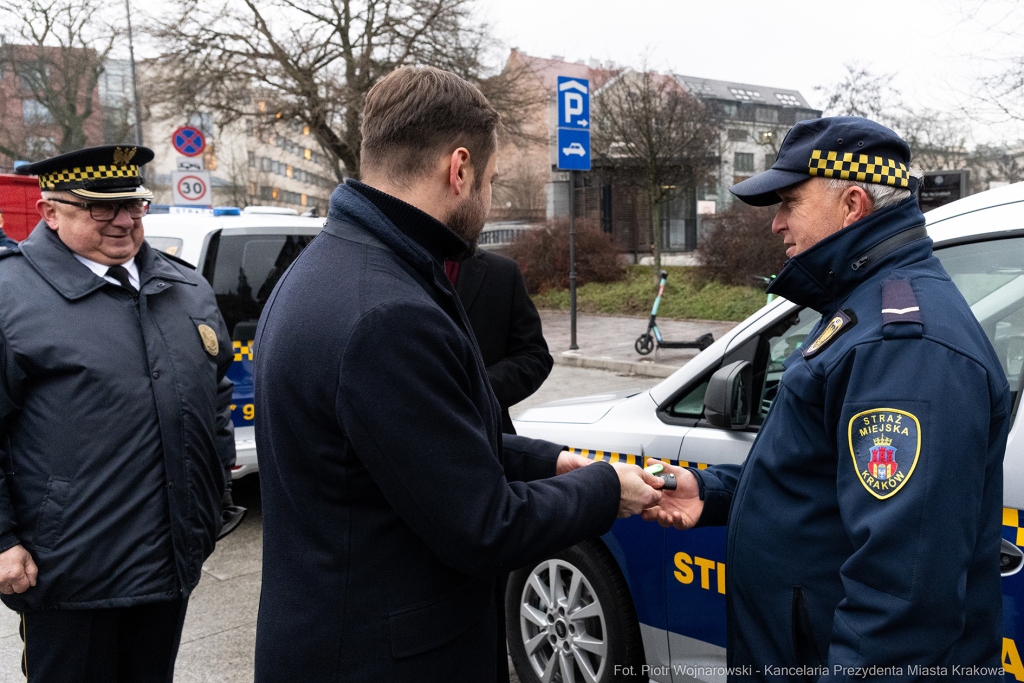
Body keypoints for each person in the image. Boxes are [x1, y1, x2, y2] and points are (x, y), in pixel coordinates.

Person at [253, 66, 663, 683]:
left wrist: (548, 464)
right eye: (493, 181)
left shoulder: (331, 268)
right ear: (460, 168)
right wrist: (607, 488)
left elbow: (415, 451)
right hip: (383, 660)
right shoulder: (387, 311)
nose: (490, 198)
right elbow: (484, 526)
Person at [644, 117, 1011, 680]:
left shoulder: (903, 347)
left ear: (853, 205)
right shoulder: (863, 314)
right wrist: (715, 494)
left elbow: (902, 602)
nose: (777, 223)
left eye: (790, 201)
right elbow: (830, 478)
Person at [0, 145, 236, 682]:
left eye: (134, 205)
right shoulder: (9, 297)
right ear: (50, 213)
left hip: (170, 562)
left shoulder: (185, 288)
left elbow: (214, 397)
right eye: (101, 208)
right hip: (68, 575)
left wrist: (215, 494)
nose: (124, 221)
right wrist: (2, 542)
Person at [447, 247, 552, 434]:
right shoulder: (389, 267)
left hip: (487, 440)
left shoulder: (501, 271)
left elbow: (534, 356)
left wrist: (479, 389)